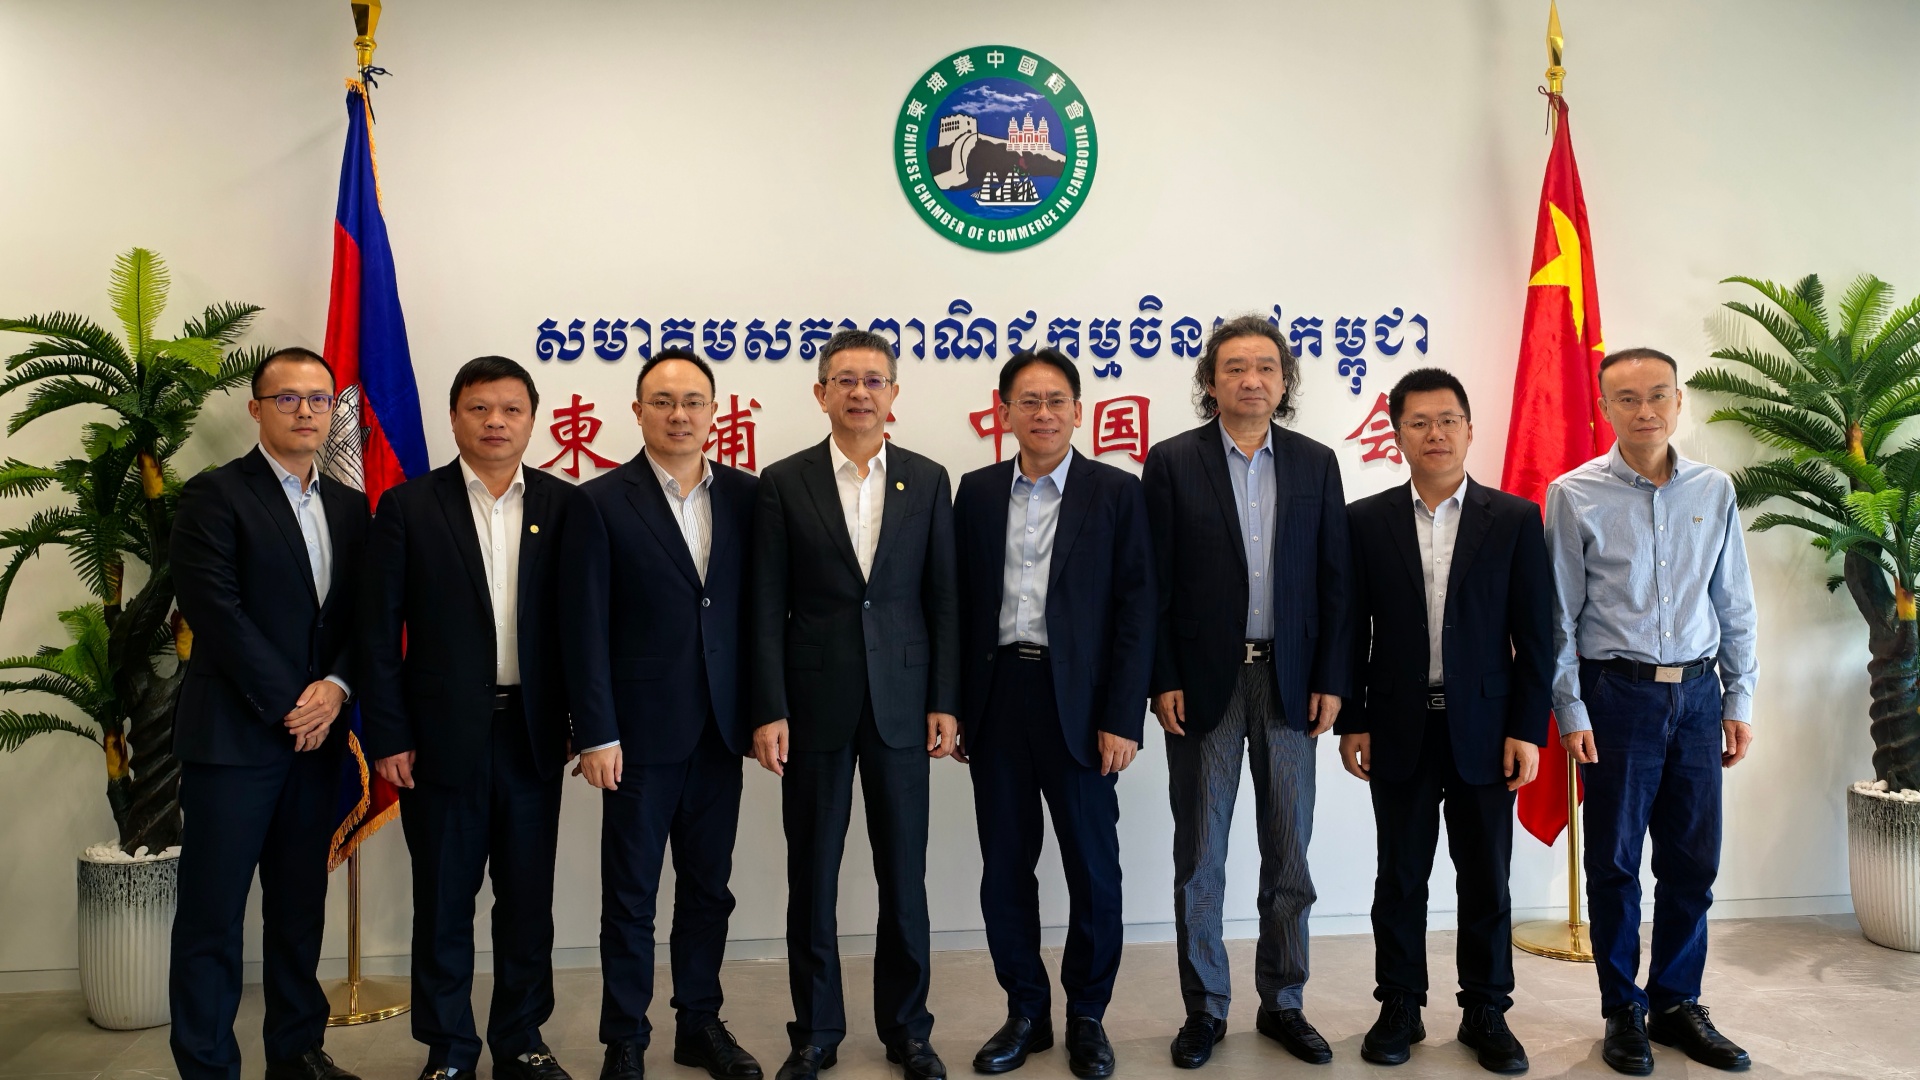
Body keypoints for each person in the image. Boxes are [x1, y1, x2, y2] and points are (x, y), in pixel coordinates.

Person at [360, 357, 587, 1080]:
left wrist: (584, 723)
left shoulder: (565, 505)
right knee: (443, 901)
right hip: (437, 740)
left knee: (527, 902)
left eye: (511, 409)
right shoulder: (408, 507)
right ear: (455, 417)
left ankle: (521, 1039)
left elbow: (583, 628)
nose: (496, 422)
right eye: (479, 408)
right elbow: (377, 634)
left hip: (532, 734)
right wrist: (389, 733)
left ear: (533, 420)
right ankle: (449, 1050)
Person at [1142, 315, 1353, 1068]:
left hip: (1291, 682)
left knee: (1289, 854)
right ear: (1210, 381)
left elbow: (1335, 582)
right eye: (1234, 367)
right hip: (1205, 684)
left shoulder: (1316, 463)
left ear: (1284, 380)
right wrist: (1162, 676)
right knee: (1201, 857)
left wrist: (1332, 679)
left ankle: (1283, 1002)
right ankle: (1205, 1008)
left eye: (1265, 366)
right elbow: (1152, 584)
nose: (1251, 379)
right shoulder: (1172, 462)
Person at [749, 328, 960, 1080]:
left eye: (874, 380)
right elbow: (765, 605)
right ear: (821, 393)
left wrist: (945, 699)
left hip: (903, 703)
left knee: (904, 877)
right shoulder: (783, 481)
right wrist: (769, 707)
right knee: (813, 875)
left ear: (893, 393)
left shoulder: (928, 479)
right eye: (845, 380)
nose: (860, 392)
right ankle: (815, 1031)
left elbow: (944, 597)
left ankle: (908, 1030)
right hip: (813, 707)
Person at [1546, 347, 1757, 1076]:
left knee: (1693, 861)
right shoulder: (1573, 493)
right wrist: (1571, 708)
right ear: (1604, 407)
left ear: (1678, 401)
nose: (1645, 411)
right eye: (1628, 399)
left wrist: (1739, 697)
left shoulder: (1714, 488)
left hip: (1698, 696)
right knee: (1613, 864)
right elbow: (1558, 615)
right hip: (1617, 696)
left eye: (1658, 395)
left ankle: (1676, 1002)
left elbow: (1734, 602)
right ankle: (1622, 1010)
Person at [1339, 367, 1552, 1073]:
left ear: (1469, 428)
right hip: (1397, 724)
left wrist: (1527, 728)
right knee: (1400, 875)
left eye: (1448, 420)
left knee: (1485, 876)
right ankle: (1399, 1005)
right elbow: (1351, 630)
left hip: (1487, 729)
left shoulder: (1514, 519)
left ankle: (1485, 1010)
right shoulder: (1365, 521)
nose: (1436, 433)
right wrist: (1354, 719)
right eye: (1419, 422)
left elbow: (1537, 637)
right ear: (1397, 434)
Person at [950, 349, 1154, 1080]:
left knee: (1093, 869)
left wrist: (1123, 716)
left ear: (1078, 411)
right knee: (1006, 866)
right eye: (1029, 401)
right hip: (998, 696)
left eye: (1056, 400)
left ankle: (1087, 1015)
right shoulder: (976, 493)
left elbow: (1137, 610)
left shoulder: (1116, 492)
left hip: (1084, 706)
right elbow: (957, 605)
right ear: (1004, 412)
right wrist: (955, 706)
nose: (1043, 413)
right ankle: (1026, 1013)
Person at [561, 347, 763, 1080]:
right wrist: (596, 731)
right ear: (638, 411)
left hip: (720, 730)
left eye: (693, 402)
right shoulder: (598, 501)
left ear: (714, 412)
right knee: (632, 894)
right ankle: (626, 1036)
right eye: (664, 401)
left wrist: (763, 711)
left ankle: (698, 1023)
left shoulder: (747, 496)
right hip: (638, 734)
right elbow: (584, 628)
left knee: (709, 889)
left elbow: (758, 615)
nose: (680, 415)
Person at [169, 347, 367, 1080]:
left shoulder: (350, 506)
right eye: (288, 398)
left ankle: (296, 1052)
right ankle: (207, 1066)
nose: (306, 411)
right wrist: (295, 703)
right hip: (234, 741)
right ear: (257, 409)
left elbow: (365, 614)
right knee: (212, 916)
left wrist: (336, 687)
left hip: (317, 744)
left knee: (297, 910)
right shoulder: (214, 495)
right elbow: (216, 613)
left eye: (319, 399)